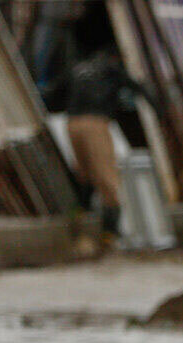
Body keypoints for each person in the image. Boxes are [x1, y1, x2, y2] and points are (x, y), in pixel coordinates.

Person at [65, 45, 148, 237]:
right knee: (106, 175)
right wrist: (159, 110)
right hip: (95, 122)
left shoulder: (78, 69)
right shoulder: (111, 69)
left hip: (72, 123)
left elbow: (55, 93)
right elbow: (138, 88)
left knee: (83, 173)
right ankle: (111, 231)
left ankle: (81, 223)